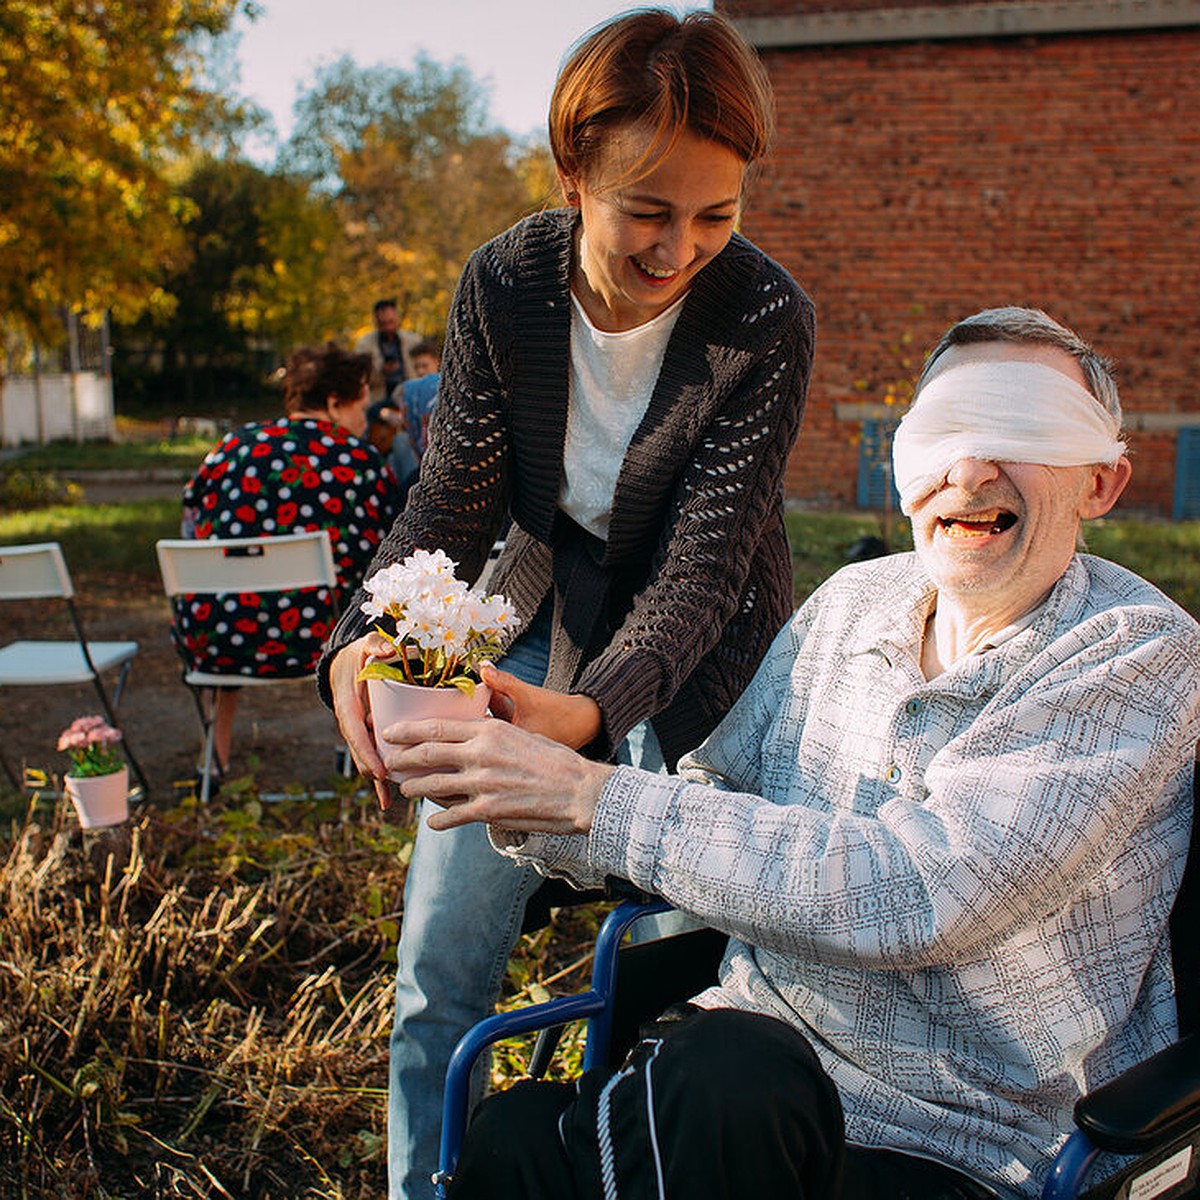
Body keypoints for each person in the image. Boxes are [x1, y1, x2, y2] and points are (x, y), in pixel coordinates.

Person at [377, 307, 1200, 1200]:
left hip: (964, 1144)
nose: (970, 469)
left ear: (1103, 483)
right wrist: (522, 783)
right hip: (723, 1073)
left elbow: (922, 894)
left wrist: (592, 797)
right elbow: (720, 792)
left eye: (1021, 428)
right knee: (515, 1139)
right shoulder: (854, 603)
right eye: (946, 430)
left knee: (723, 1081)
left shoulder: (1133, 654)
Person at [318, 10, 815, 1197]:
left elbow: (700, 572)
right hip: (534, 620)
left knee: (667, 979)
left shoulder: (763, 318)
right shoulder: (506, 284)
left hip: (706, 665)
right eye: (646, 209)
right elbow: (450, 502)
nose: (677, 247)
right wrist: (363, 644)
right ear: (573, 172)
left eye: (716, 214)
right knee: (440, 971)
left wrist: (586, 720)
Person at [176, 343, 398, 779]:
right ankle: (351, 751)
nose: (364, 419)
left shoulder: (229, 448)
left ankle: (214, 761)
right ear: (334, 404)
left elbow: (191, 527)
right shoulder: (360, 462)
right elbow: (387, 556)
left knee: (225, 601)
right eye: (361, 407)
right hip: (320, 642)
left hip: (218, 640)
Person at [357, 298, 423, 405]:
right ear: (376, 322)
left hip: (411, 397)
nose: (388, 327)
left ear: (397, 319)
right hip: (379, 400)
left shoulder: (414, 341)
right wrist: (380, 371)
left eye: (390, 322)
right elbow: (362, 379)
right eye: (383, 324)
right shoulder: (365, 346)